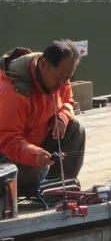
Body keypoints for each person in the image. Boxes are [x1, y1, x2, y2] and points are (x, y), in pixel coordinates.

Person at [0, 40, 86, 195]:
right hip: (7, 154)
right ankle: (31, 189)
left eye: (67, 77)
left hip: (36, 143)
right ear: (43, 65)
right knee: (39, 168)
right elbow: (7, 139)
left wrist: (62, 117)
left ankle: (62, 185)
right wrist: (33, 154)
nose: (61, 83)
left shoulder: (59, 74)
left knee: (75, 128)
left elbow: (68, 100)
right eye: (59, 76)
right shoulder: (13, 92)